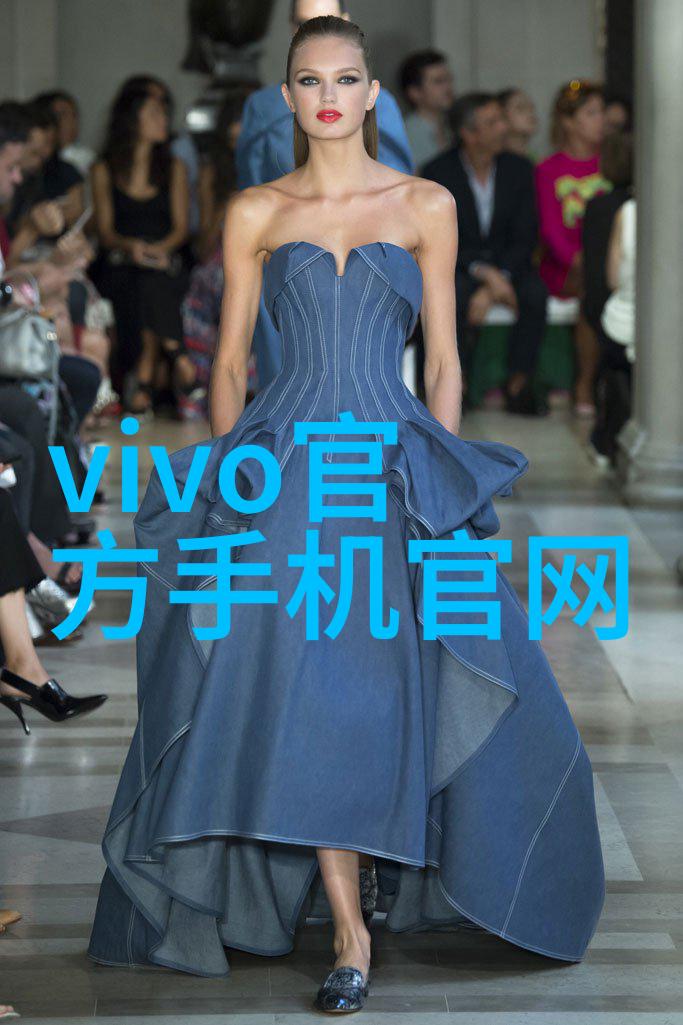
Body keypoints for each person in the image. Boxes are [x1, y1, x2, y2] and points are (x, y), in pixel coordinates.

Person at [87, 15, 605, 1013]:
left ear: (373, 94)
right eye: (308, 79)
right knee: (300, 681)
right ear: (284, 96)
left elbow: (443, 359)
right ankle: (348, 925)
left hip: (393, 459)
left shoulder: (424, 204)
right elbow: (229, 363)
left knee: (393, 678)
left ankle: (378, 874)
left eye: (345, 78)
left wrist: (443, 477)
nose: (327, 96)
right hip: (283, 463)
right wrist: (236, 480)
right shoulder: (254, 209)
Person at [235, 0, 415, 393]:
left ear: (347, 21)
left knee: (365, 377)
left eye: (325, 18)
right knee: (283, 377)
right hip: (285, 259)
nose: (314, 27)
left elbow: (402, 187)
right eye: (303, 22)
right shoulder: (263, 106)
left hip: (367, 258)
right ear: (290, 27)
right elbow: (248, 182)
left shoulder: (381, 105)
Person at [422, 93, 549, 416]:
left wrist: (498, 278)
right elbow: (437, 236)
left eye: (501, 119)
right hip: (460, 264)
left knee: (535, 293)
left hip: (510, 264)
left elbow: (526, 234)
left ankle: (519, 382)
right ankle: (457, 386)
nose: (503, 127)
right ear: (468, 133)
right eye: (493, 122)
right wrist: (485, 274)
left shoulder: (519, 169)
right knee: (448, 295)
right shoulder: (438, 171)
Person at [90, 83, 196, 415]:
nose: (163, 119)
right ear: (132, 120)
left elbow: (180, 228)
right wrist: (132, 247)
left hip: (165, 257)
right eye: (154, 113)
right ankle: (176, 356)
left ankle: (145, 374)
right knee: (142, 283)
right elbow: (106, 232)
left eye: (164, 113)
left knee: (153, 281)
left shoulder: (174, 167)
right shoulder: (103, 169)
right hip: (122, 259)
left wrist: (157, 251)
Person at [535, 80, 611, 416]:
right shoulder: (548, 169)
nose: (602, 120)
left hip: (608, 260)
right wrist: (579, 259)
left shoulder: (611, 164)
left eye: (602, 112)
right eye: (592, 113)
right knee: (591, 287)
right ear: (568, 121)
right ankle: (585, 382)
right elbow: (551, 230)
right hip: (566, 267)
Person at [399, 49, 456, 171]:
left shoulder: (455, 127)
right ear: (415, 92)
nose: (448, 87)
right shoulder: (405, 135)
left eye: (449, 79)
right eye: (438, 82)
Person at [496, 87, 539, 159]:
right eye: (520, 108)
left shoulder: (533, 158)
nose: (530, 113)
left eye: (531, 107)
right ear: (502, 116)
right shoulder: (494, 160)